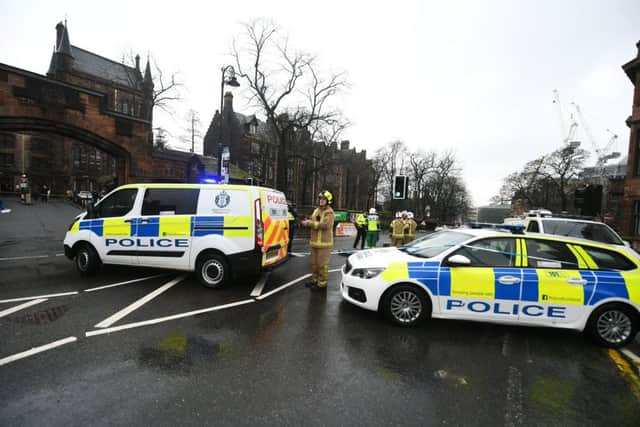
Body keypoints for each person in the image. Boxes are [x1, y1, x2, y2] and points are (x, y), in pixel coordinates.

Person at [301, 190, 335, 291]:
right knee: (313, 264)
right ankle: (315, 280)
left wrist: (310, 223)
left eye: (324, 199)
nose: (321, 200)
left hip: (324, 244)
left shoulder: (330, 212)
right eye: (320, 198)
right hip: (314, 243)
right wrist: (306, 220)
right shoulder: (316, 210)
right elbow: (313, 220)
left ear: (328, 201)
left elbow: (325, 225)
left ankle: (322, 283)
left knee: (321, 265)